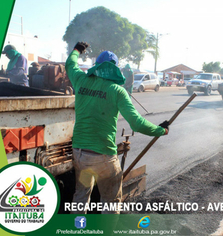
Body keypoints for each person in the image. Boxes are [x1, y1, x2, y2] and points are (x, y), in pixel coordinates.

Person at [65, 42, 169, 214]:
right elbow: (136, 123)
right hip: (103, 157)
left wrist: (76, 50)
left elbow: (70, 64)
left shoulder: (80, 80)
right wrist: (161, 130)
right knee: (110, 201)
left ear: (96, 66)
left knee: (81, 197)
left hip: (80, 153)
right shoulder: (117, 91)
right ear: (115, 69)